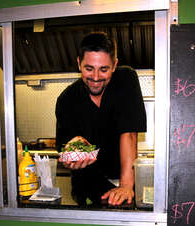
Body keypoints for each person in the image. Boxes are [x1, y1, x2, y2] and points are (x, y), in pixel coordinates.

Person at [55, 32, 146, 206]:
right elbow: (64, 148)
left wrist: (126, 186)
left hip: (124, 177)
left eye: (104, 69)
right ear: (79, 64)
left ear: (114, 65)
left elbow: (129, 133)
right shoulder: (66, 99)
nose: (96, 77)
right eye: (89, 68)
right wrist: (72, 154)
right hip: (87, 185)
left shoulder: (125, 80)